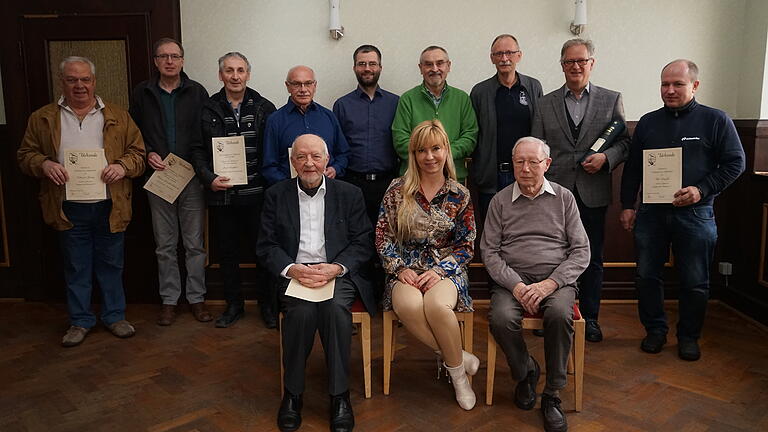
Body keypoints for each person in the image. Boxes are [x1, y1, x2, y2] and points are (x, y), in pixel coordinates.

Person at [619, 59, 746, 361]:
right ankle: (655, 330)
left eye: (678, 84)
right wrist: (627, 205)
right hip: (651, 214)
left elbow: (736, 163)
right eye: (665, 84)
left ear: (695, 86)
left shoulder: (716, 120)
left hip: (696, 214)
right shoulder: (648, 122)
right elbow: (633, 169)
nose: (670, 90)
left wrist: (701, 189)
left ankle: (689, 336)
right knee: (646, 276)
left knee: (695, 280)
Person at [18, 56, 146, 346]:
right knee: (76, 265)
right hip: (68, 206)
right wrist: (45, 165)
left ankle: (114, 316)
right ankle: (80, 320)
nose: (80, 86)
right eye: (72, 79)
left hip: (110, 205)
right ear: (62, 82)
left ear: (94, 82)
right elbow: (25, 156)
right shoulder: (42, 118)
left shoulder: (118, 115)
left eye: (85, 79)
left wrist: (123, 167)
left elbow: (138, 154)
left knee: (112, 264)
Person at [257, 134, 374, 432]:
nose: (309, 163)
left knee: (335, 311)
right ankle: (293, 395)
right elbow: (266, 245)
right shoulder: (276, 194)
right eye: (301, 157)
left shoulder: (349, 194)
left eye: (316, 156)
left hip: (336, 272)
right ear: (292, 161)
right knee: (301, 313)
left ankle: (339, 396)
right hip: (296, 273)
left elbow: (363, 242)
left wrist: (335, 267)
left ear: (326, 160)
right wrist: (291, 269)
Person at [481, 136, 590, 432]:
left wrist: (550, 284)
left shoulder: (565, 198)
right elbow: (489, 252)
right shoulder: (500, 200)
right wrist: (516, 286)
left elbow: (581, 251)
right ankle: (525, 371)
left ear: (547, 164)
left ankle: (553, 394)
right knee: (501, 318)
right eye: (519, 162)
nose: (526, 168)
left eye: (533, 162)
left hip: (556, 279)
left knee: (557, 314)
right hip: (511, 280)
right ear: (512, 164)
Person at [531, 38, 629, 343]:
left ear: (592, 63)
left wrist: (606, 158)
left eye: (581, 61)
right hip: (553, 195)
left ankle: (590, 317)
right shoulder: (545, 103)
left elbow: (625, 143)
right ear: (562, 65)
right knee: (551, 255)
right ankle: (552, 314)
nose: (575, 67)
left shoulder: (611, 100)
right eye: (569, 62)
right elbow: (536, 147)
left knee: (591, 256)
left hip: (593, 192)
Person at [376, 119, 478, 410]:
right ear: (413, 154)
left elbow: (466, 244)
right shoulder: (397, 190)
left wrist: (439, 271)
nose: (430, 156)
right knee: (408, 305)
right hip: (404, 269)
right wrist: (399, 269)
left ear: (447, 150)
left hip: (446, 270)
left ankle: (458, 378)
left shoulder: (460, 194)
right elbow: (382, 237)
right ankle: (459, 360)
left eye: (436, 148)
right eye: (422, 150)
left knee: (435, 306)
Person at [130, 37, 212, 326]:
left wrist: (200, 166)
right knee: (164, 244)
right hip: (159, 176)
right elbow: (134, 132)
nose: (169, 61)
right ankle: (168, 300)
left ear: (182, 60)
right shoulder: (143, 92)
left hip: (191, 176)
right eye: (163, 56)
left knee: (194, 244)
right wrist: (148, 153)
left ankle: (197, 298)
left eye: (174, 56)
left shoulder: (197, 91)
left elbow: (205, 133)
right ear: (155, 61)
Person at [192, 52, 277, 328]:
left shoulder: (265, 107)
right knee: (227, 254)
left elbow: (272, 150)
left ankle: (266, 305)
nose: (235, 75)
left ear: (248, 74)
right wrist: (208, 178)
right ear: (221, 75)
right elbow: (196, 150)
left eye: (240, 70)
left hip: (257, 194)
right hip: (222, 195)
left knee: (262, 253)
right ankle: (233, 305)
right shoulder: (207, 108)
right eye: (229, 70)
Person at [470, 34, 543, 221]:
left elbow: (541, 129)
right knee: (493, 231)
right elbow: (474, 134)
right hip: (493, 176)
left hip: (527, 173)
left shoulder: (533, 87)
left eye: (509, 53)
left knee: (527, 229)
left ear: (519, 55)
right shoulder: (480, 92)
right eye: (499, 54)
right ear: (492, 58)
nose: (504, 58)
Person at [333, 44, 399, 227]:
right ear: (354, 67)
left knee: (388, 235)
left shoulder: (396, 103)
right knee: (356, 234)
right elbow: (337, 146)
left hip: (388, 183)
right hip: (353, 183)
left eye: (372, 63)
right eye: (362, 64)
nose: (367, 68)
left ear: (380, 67)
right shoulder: (342, 105)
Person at [391, 46, 478, 183]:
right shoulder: (407, 99)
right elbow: (400, 140)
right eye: (428, 64)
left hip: (454, 178)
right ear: (420, 68)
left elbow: (470, 136)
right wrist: (428, 156)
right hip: (415, 180)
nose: (435, 69)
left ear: (448, 66)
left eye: (440, 63)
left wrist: (443, 154)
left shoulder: (462, 98)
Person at [262, 65, 349, 185]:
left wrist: (335, 169)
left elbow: (343, 154)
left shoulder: (329, 117)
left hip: (328, 190)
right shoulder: (275, 120)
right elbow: (269, 165)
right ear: (288, 86)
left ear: (315, 86)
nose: (303, 89)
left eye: (308, 83)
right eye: (297, 84)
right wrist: (288, 186)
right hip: (289, 195)